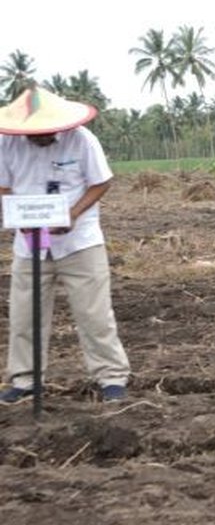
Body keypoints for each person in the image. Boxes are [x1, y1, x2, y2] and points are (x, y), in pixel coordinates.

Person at [0, 86, 130, 403]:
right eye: (34, 131)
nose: (40, 136)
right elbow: (3, 186)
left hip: (79, 242)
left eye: (46, 130)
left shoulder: (82, 140)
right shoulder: (6, 143)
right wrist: (19, 215)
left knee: (94, 314)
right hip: (30, 243)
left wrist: (72, 214)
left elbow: (101, 181)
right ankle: (25, 380)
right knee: (24, 315)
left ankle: (111, 377)